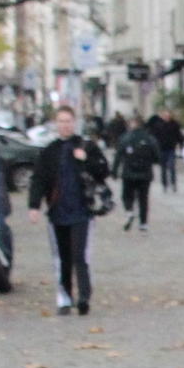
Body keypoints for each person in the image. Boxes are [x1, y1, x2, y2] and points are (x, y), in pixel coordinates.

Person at [25, 106, 113, 317]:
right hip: (58, 211)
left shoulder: (86, 146)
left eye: (68, 121)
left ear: (75, 123)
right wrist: (34, 205)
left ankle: (84, 297)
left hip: (82, 210)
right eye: (61, 121)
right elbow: (39, 180)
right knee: (62, 258)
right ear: (56, 124)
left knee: (80, 255)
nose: (65, 125)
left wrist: (86, 159)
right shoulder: (49, 151)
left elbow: (103, 170)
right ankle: (65, 297)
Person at [117, 120, 162, 233]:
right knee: (143, 199)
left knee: (127, 195)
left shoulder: (125, 138)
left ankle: (129, 210)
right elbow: (157, 156)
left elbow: (118, 155)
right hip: (145, 174)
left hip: (129, 173)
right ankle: (143, 223)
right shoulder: (150, 139)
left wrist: (114, 170)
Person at [145, 107, 183, 193]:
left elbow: (179, 136)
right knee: (163, 168)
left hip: (171, 149)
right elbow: (153, 137)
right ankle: (164, 184)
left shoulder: (174, 124)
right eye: (164, 115)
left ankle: (173, 183)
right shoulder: (157, 125)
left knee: (172, 166)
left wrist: (181, 146)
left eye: (167, 115)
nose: (166, 116)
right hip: (161, 149)